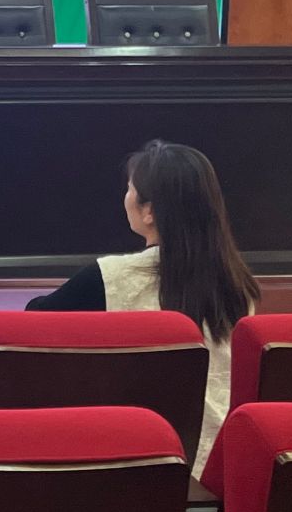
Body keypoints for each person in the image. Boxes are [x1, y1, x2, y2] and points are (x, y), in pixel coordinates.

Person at [26, 139, 259, 470]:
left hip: (135, 463)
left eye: (130, 189)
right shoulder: (239, 287)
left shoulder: (109, 277)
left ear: (149, 211)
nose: (126, 198)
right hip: (220, 468)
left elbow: (33, 323)